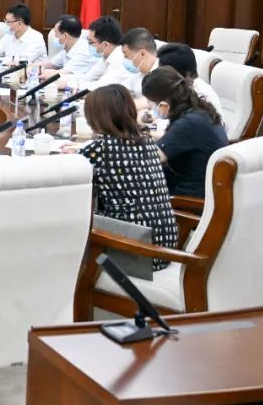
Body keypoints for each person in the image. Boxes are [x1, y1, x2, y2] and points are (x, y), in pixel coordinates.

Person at [76, 85, 178, 270]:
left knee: (69, 221)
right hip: (164, 247)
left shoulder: (99, 149)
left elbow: (70, 177)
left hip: (134, 249)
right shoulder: (147, 142)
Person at [141, 66, 228, 198]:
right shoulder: (198, 112)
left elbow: (149, 160)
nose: (152, 110)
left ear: (164, 105)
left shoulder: (188, 123)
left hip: (189, 198)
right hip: (202, 188)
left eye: (151, 105)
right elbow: (170, 139)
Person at [156, 42, 226, 127]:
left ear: (176, 73)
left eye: (163, 72)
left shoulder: (199, 94)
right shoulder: (181, 88)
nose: (160, 75)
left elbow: (185, 126)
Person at [79, 16, 131, 90]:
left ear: (105, 45)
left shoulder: (120, 60)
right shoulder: (106, 57)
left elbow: (100, 86)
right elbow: (89, 77)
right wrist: (67, 81)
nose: (88, 45)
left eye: (91, 42)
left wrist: (72, 85)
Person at [119, 27, 160, 98]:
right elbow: (119, 92)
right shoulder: (137, 77)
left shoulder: (168, 73)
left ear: (142, 54)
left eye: (126, 55)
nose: (125, 59)